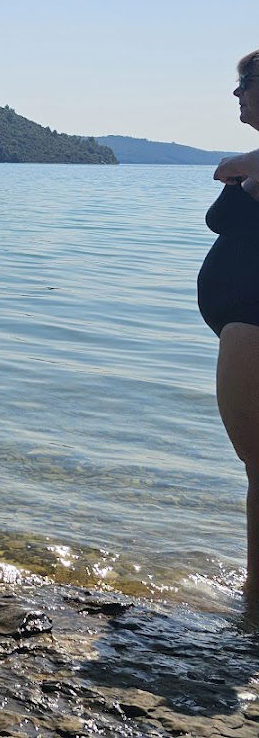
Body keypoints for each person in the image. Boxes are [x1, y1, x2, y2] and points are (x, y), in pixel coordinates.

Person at [201, 49, 259, 611]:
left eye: (244, 84)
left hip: (252, 321)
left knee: (258, 464)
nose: (237, 95)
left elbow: (226, 169)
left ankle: (254, 599)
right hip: (245, 321)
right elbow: (226, 168)